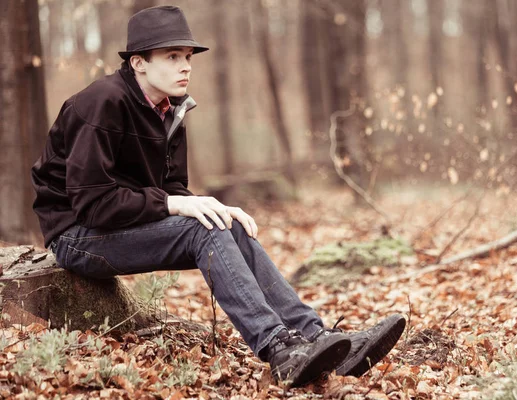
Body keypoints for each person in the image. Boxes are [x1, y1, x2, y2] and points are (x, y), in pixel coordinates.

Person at [31, 5, 405, 387]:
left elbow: (173, 188)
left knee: (225, 224)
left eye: (188, 57)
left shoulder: (170, 109)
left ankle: (316, 337)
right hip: (77, 236)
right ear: (139, 63)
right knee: (201, 230)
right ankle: (278, 349)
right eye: (172, 56)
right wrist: (176, 205)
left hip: (118, 225)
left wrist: (213, 206)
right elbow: (93, 205)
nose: (186, 66)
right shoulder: (101, 103)